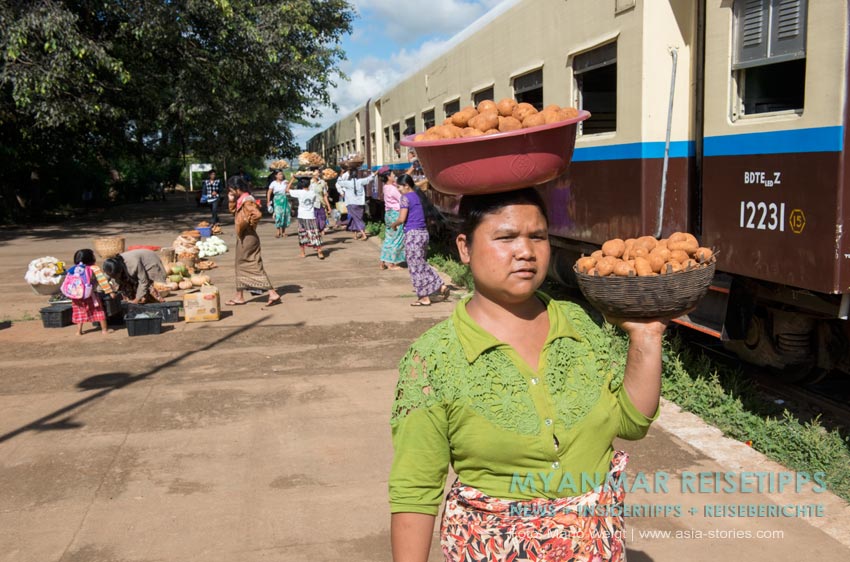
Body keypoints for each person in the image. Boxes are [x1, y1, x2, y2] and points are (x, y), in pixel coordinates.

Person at [388, 188, 668, 561]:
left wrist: (647, 336)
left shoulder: (578, 324)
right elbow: (415, 489)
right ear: (464, 248)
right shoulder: (434, 358)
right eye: (505, 237)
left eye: (537, 236)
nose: (526, 251)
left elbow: (632, 422)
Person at [388, 174, 449, 306]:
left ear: (406, 186)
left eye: (399, 187)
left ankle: (424, 297)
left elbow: (402, 219)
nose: (398, 189)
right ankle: (439, 286)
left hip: (413, 235)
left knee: (414, 267)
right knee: (420, 263)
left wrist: (393, 225)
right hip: (423, 233)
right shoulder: (417, 196)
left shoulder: (405, 198)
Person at [226, 176, 281, 306]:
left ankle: (272, 293)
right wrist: (231, 200)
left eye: (231, 190)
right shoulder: (242, 199)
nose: (230, 192)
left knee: (251, 264)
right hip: (244, 237)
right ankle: (239, 296)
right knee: (241, 265)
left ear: (237, 188)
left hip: (248, 237)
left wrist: (248, 224)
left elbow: (257, 214)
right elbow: (234, 212)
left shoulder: (247, 200)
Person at [68, 248, 115, 335]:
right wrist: (110, 291)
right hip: (90, 294)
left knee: (79, 312)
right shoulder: (94, 268)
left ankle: (78, 331)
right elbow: (102, 281)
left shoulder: (74, 269)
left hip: (77, 295)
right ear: (91, 258)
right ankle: (104, 330)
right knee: (99, 311)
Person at [102, 249, 167, 304]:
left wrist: (136, 300)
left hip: (149, 261)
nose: (115, 278)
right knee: (128, 289)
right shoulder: (110, 267)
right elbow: (103, 280)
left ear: (120, 270)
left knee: (147, 289)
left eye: (116, 276)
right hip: (135, 264)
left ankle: (156, 303)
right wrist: (110, 292)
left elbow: (143, 282)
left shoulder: (133, 263)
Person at [287, 176, 326, 260]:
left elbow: (287, 190)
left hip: (302, 216)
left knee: (302, 234)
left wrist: (292, 179)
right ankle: (319, 252)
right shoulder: (313, 193)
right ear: (309, 184)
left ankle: (302, 253)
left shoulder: (299, 192)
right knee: (314, 233)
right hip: (311, 216)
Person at [379, 170, 405, 270]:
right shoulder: (393, 189)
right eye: (393, 175)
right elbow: (402, 199)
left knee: (388, 238)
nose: (394, 176)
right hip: (396, 214)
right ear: (388, 177)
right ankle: (391, 263)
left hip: (388, 214)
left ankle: (382, 261)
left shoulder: (386, 187)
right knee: (397, 238)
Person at [337, 168, 373, 240]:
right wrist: (374, 174)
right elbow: (369, 179)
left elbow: (339, 182)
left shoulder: (347, 183)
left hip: (351, 203)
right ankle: (355, 235)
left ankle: (363, 234)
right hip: (360, 203)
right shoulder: (360, 181)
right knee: (355, 218)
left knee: (356, 219)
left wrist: (341, 174)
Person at [266, 170, 291, 238]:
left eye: (282, 174)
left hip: (285, 200)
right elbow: (269, 192)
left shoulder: (285, 182)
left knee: (285, 214)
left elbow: (289, 190)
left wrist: (289, 184)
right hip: (277, 200)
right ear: (276, 176)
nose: (281, 176)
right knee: (278, 215)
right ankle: (278, 231)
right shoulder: (273, 183)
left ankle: (283, 232)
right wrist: (268, 201)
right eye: (279, 174)